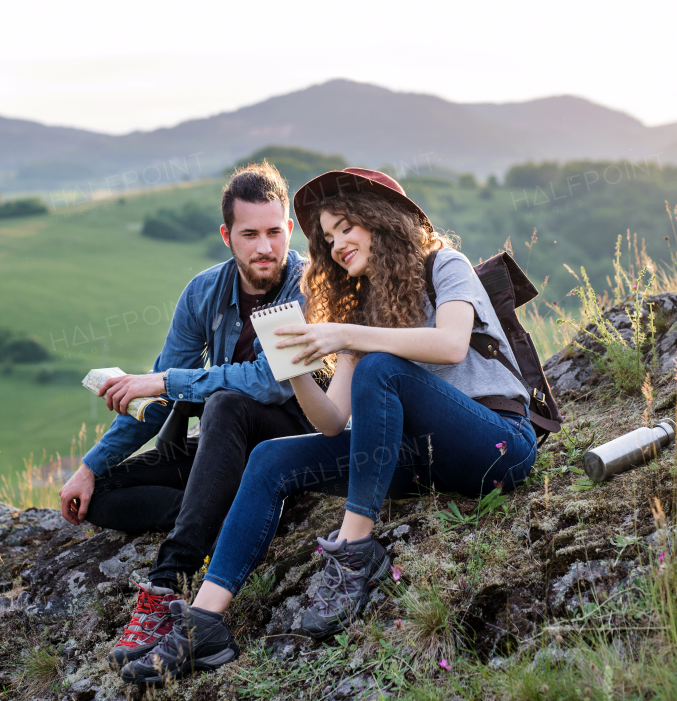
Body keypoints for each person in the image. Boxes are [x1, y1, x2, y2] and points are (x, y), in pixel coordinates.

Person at [121, 168, 539, 685]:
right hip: (420, 457)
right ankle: (204, 623)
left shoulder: (444, 265)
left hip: (497, 445)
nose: (337, 243)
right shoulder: (360, 308)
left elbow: (451, 343)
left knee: (383, 368)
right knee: (270, 457)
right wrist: (295, 371)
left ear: (382, 222)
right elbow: (334, 419)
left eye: (346, 227)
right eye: (328, 236)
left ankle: (353, 553)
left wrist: (345, 334)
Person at [57, 162, 314, 668]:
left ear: (289, 229)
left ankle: (166, 581)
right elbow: (153, 403)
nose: (265, 247)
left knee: (225, 400)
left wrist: (166, 382)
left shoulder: (309, 286)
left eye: (274, 232)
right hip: (225, 446)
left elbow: (268, 381)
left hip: (291, 440)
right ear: (227, 236)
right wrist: (89, 466)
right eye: (250, 234)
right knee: (101, 494)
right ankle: (221, 518)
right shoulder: (203, 292)